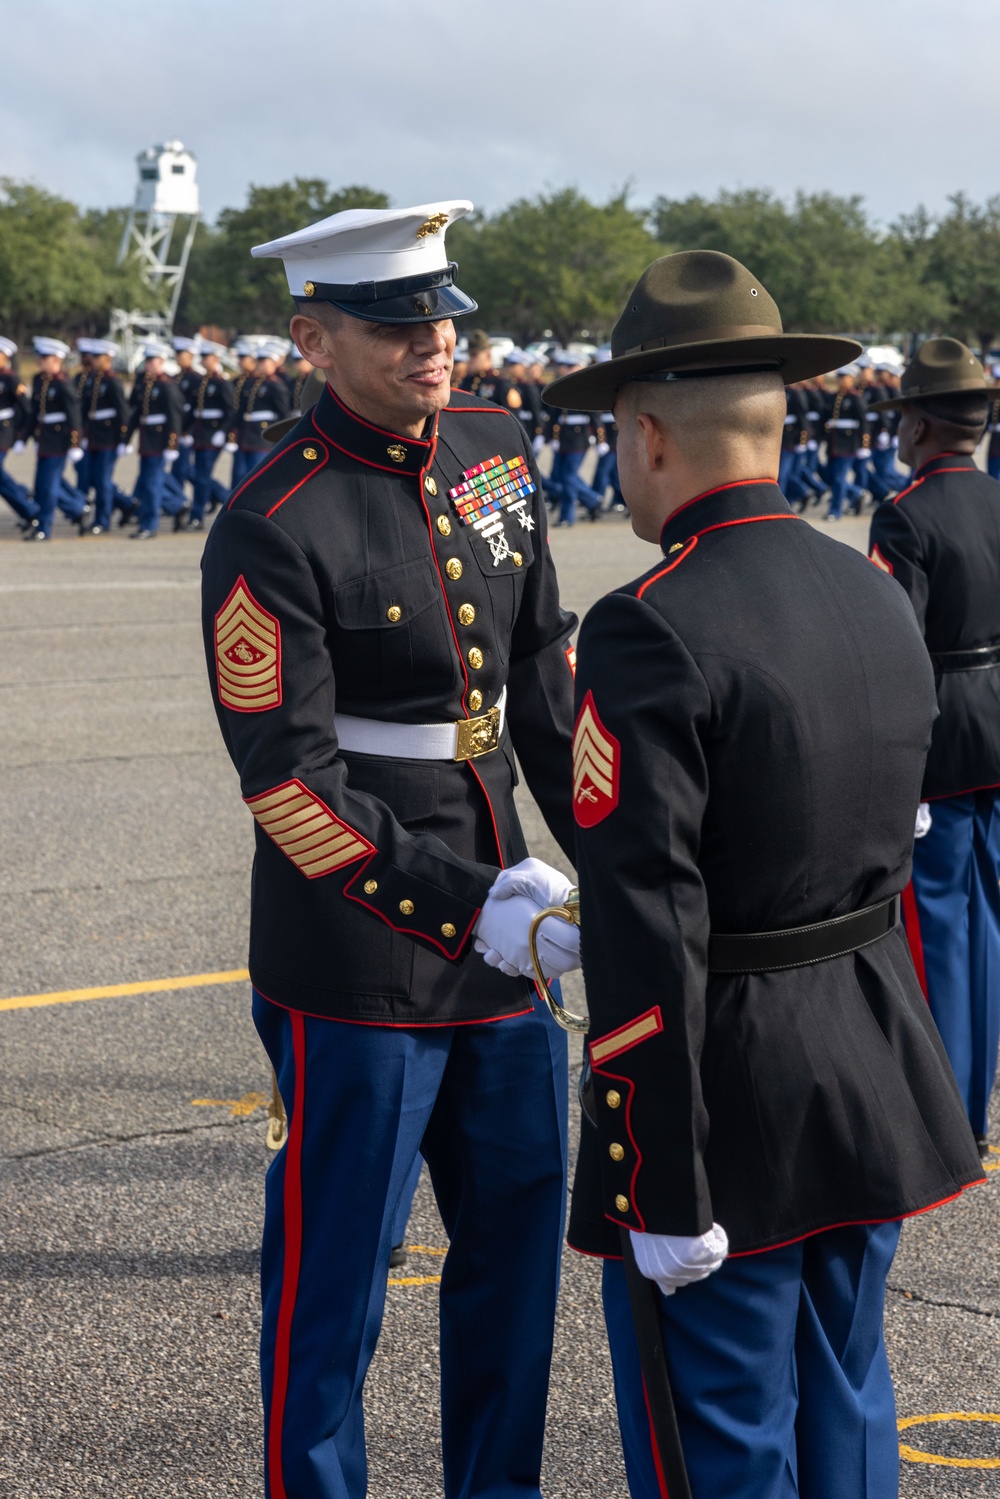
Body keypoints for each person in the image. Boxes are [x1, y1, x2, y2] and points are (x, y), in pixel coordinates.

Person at [544, 251, 984, 1499]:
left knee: (721, 1435)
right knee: (845, 1401)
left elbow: (648, 914)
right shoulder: (867, 588)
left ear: (644, 434)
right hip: (874, 1057)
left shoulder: (647, 623)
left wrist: (654, 1168)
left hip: (727, 1095)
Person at [200, 199, 581, 1499]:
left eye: (441, 318)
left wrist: (620, 841)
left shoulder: (492, 440)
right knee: (335, 1284)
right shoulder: (274, 519)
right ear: (312, 337)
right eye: (392, 324)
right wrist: (467, 901)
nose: (432, 346)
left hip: (507, 922)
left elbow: (538, 663)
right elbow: (289, 787)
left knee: (518, 1248)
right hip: (352, 948)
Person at [868, 339, 1000, 1156]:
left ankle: (949, 1114)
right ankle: (976, 1100)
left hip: (945, 736)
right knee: (988, 924)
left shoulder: (905, 512)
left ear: (918, 423)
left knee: (943, 926)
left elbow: (895, 645)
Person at [27, 337, 89, 540]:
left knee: (49, 486)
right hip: (44, 438)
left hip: (60, 440)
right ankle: (78, 508)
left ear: (56, 360)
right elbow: (35, 412)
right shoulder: (39, 380)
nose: (40, 361)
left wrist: (75, 443)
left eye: (44, 358)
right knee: (41, 485)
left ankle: (44, 527)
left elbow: (74, 416)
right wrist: (25, 436)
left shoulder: (64, 384)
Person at [125, 340, 184, 539]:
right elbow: (136, 414)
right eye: (147, 360)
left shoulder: (167, 386)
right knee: (147, 483)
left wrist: (172, 444)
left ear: (162, 361)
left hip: (159, 442)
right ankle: (177, 507)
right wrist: (126, 439)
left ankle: (149, 525)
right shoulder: (145, 384)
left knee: (152, 484)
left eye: (152, 361)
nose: (148, 364)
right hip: (146, 440)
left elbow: (174, 417)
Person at [79, 339, 129, 534]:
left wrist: (123, 440)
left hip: (109, 438)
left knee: (102, 481)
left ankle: (102, 520)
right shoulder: (92, 378)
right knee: (89, 477)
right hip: (92, 436)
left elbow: (123, 412)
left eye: (97, 357)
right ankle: (123, 505)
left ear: (108, 358)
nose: (93, 360)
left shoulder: (113, 381)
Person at [186, 338, 234, 527]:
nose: (202, 360)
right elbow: (195, 411)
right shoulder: (201, 382)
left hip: (213, 435)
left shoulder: (221, 383)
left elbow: (231, 411)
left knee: (202, 475)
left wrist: (224, 433)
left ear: (215, 358)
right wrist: (186, 431)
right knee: (199, 475)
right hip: (200, 434)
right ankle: (217, 502)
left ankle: (197, 515)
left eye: (206, 357)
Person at [232, 339, 291, 484]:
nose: (259, 363)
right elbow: (241, 410)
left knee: (255, 477)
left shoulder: (276, 386)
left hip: (262, 437)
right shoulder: (251, 383)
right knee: (239, 476)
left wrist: (280, 439)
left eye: (263, 360)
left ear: (273, 363)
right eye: (258, 360)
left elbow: (284, 415)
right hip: (245, 435)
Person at [0, 336, 38, 528]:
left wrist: (19, 433)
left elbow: (27, 408)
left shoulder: (10, 378)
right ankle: (26, 503)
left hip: (3, 432)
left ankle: (29, 508)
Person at [824, 364, 870, 518]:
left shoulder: (855, 398)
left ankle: (835, 510)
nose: (840, 380)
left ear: (851, 379)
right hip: (834, 444)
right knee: (829, 477)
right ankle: (856, 492)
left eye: (843, 377)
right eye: (839, 377)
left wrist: (864, 445)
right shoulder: (833, 397)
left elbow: (863, 422)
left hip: (848, 445)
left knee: (838, 478)